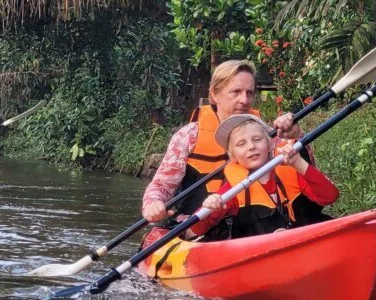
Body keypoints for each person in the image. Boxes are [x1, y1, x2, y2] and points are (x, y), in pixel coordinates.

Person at [142, 60, 307, 224]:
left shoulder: (266, 134)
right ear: (215, 94)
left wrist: (295, 136)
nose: (244, 100)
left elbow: (305, 171)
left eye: (249, 93)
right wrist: (153, 203)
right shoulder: (189, 136)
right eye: (235, 92)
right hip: (199, 229)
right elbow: (161, 186)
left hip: (256, 227)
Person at [186, 114, 339, 239]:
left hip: (306, 243)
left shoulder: (291, 171)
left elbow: (330, 196)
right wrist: (208, 208)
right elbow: (198, 228)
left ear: (270, 144)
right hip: (261, 256)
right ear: (233, 156)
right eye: (241, 144)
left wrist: (300, 164)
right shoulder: (233, 189)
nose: (251, 146)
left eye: (257, 139)